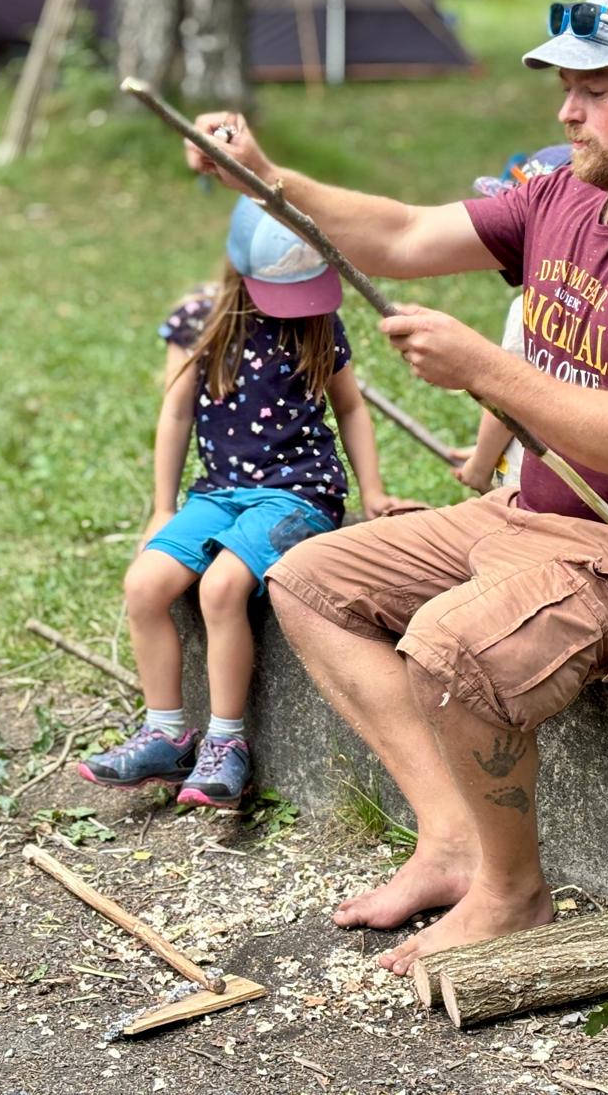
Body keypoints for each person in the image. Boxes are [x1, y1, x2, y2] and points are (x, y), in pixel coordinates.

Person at [184, 0, 608, 970]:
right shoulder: (562, 199)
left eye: (595, 90)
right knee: (307, 579)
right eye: (564, 88)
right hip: (532, 513)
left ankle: (513, 894)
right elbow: (401, 237)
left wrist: (486, 368)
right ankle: (452, 840)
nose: (566, 112)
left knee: (449, 646)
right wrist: (266, 177)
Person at [77, 196, 392, 809]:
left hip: (299, 492)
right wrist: (162, 507)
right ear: (240, 270)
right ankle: (167, 735)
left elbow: (351, 408)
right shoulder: (198, 322)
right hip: (219, 492)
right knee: (144, 585)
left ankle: (227, 743)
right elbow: (175, 415)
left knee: (221, 588)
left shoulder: (318, 320)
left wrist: (373, 490)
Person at [454, 145, 572, 494]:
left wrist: (480, 465)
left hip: (529, 484)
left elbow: (508, 397)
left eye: (516, 224)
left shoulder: (532, 308)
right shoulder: (598, 305)